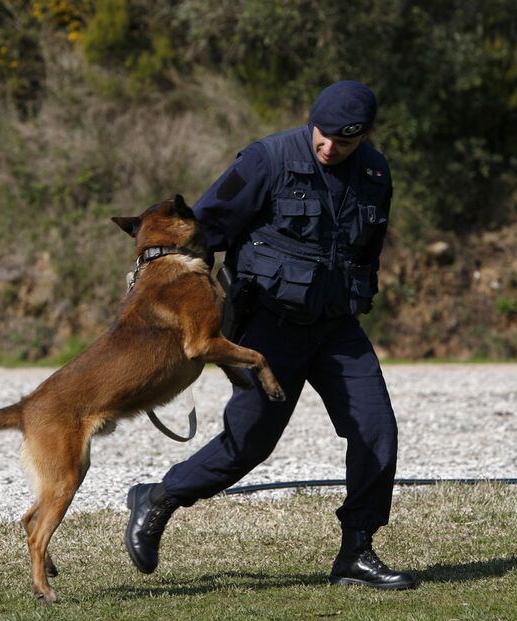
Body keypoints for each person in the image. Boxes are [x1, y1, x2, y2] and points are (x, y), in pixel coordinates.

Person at [124, 80, 414, 590]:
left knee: (376, 431)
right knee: (249, 444)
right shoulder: (267, 159)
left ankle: (356, 551)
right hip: (267, 329)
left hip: (337, 327)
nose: (328, 148)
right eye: (322, 136)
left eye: (342, 142)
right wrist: (178, 303)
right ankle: (160, 497)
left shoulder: (374, 172)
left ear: (364, 136)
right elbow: (202, 229)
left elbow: (367, 248)